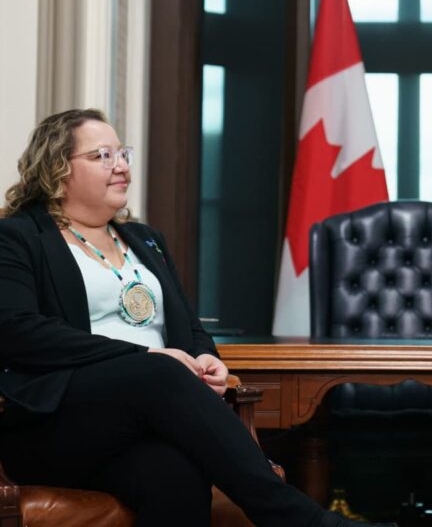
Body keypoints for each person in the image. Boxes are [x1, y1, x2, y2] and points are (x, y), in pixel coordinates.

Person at [0, 109, 392, 527]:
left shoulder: (145, 240)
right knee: (156, 373)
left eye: (123, 153)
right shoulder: (21, 236)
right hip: (58, 424)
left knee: (176, 477)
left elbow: (188, 328)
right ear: (58, 170)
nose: (122, 166)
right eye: (103, 156)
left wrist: (207, 358)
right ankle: (296, 518)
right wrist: (146, 359)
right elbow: (18, 331)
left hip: (144, 419)